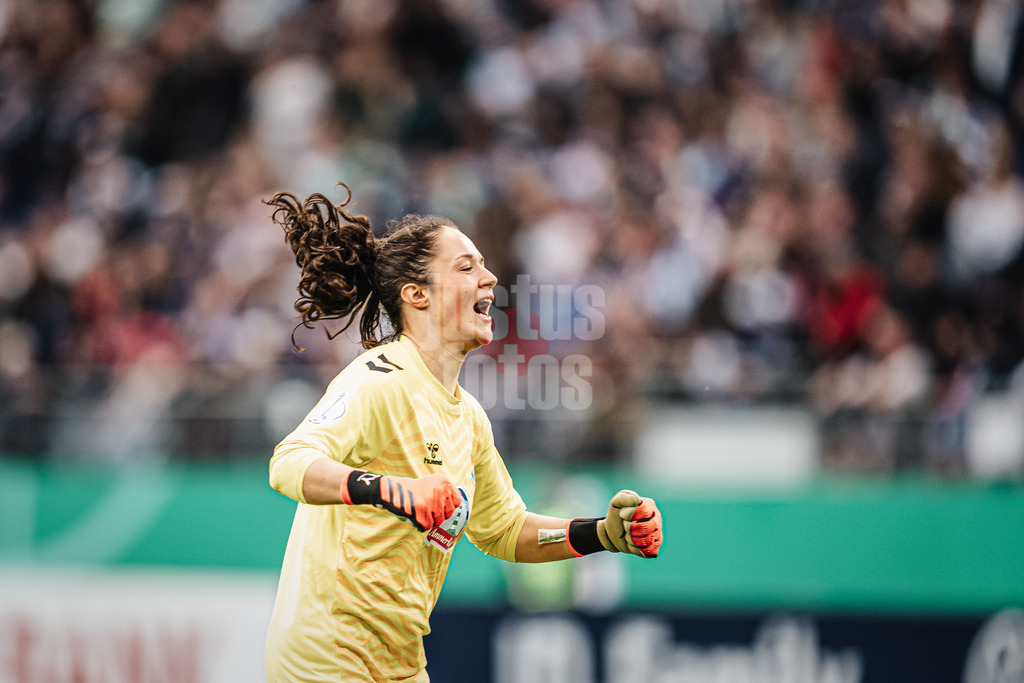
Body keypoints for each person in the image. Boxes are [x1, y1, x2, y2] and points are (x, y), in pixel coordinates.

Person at [263, 184, 664, 682]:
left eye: (484, 266)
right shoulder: (381, 380)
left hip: (398, 665)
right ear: (417, 294)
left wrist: (601, 534)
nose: (489, 277)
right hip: (326, 659)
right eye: (466, 267)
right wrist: (391, 490)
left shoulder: (469, 418)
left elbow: (504, 531)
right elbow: (290, 462)